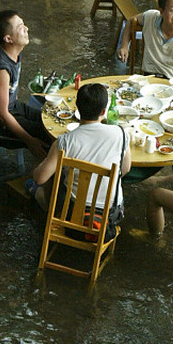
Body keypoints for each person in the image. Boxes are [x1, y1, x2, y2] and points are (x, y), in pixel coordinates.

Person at [30, 83, 131, 232]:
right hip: (110, 216)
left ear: (77, 109)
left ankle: (49, 227)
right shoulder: (121, 134)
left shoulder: (64, 141)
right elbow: (125, 169)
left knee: (38, 190)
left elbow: (39, 178)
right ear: (103, 111)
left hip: (72, 215)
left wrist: (38, 167)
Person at [0, 10, 50, 158]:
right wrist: (30, 141)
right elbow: (2, 114)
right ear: (8, 38)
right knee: (48, 137)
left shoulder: (13, 50)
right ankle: (44, 178)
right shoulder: (1, 68)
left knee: (51, 122)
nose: (26, 29)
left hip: (12, 107)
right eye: (20, 27)